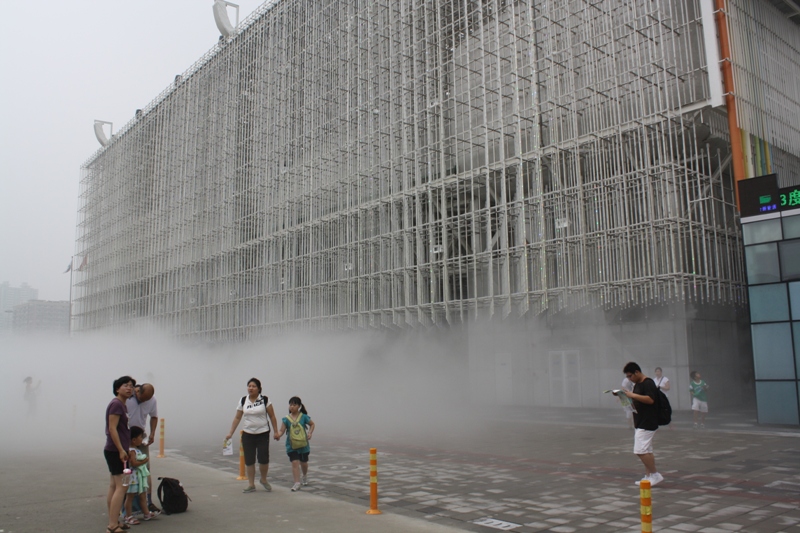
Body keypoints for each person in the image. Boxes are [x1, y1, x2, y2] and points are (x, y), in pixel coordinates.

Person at [225, 378, 279, 493]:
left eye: (253, 386)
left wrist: (276, 431)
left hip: (263, 433)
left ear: (259, 388)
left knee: (263, 458)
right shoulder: (243, 400)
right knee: (249, 460)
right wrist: (230, 432)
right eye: (249, 386)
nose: (251, 388)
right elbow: (238, 417)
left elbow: (272, 416)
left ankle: (263, 480)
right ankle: (251, 484)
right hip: (248, 434)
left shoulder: (265, 400)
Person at [621, 362, 664, 487]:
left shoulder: (648, 383)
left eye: (630, 376)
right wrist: (624, 395)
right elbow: (637, 399)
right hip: (641, 421)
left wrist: (632, 394)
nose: (629, 379)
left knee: (640, 450)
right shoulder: (638, 384)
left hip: (647, 422)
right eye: (627, 377)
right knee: (647, 450)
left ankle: (655, 474)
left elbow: (650, 399)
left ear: (637, 372)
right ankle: (649, 476)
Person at [104, 376, 134, 533]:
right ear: (117, 389)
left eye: (131, 386)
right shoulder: (116, 404)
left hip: (117, 450)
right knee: (122, 486)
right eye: (125, 385)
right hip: (116, 451)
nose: (129, 388)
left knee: (114, 486)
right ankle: (112, 526)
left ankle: (114, 520)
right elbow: (112, 428)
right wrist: (122, 450)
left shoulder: (122, 405)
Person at [127, 383, 160, 513]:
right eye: (142, 398)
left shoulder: (152, 400)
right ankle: (126, 503)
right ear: (137, 391)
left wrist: (152, 433)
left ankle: (148, 501)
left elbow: (154, 416)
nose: (143, 401)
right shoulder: (128, 398)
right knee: (127, 469)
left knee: (145, 469)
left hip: (141, 437)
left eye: (147, 399)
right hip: (127, 436)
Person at [275, 396, 315, 492]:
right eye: (290, 405)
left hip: (303, 444)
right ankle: (297, 483)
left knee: (304, 463)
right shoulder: (286, 419)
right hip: (291, 445)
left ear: (299, 406)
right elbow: (281, 430)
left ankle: (304, 476)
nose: (292, 407)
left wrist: (310, 433)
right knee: (295, 462)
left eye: (294, 405)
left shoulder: (304, 417)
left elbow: (312, 424)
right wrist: (278, 435)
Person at [124, 426, 159, 525]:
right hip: (132, 477)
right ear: (134, 440)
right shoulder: (132, 450)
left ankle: (146, 513)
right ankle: (128, 515)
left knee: (143, 495)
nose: (141, 440)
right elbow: (133, 463)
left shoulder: (136, 449)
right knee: (130, 496)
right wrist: (144, 461)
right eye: (140, 437)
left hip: (139, 477)